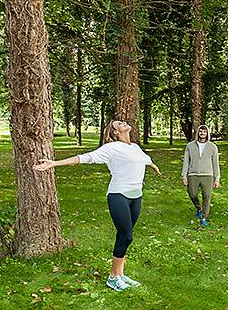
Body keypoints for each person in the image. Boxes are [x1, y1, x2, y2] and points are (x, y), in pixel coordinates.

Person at [33, 120, 161, 292]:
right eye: (119, 123)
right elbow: (86, 158)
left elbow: (146, 159)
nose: (123, 123)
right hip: (119, 195)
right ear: (115, 132)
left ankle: (120, 274)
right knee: (127, 236)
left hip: (136, 196)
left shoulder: (135, 147)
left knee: (123, 236)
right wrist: (54, 163)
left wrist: (154, 166)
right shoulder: (111, 148)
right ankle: (113, 278)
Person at [181, 125, 220, 228]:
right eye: (201, 131)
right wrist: (184, 175)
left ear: (207, 134)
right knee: (192, 193)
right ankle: (199, 208)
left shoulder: (212, 147)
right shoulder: (190, 146)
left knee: (207, 196)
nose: (202, 133)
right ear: (198, 132)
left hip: (208, 175)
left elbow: (215, 163)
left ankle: (203, 217)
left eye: (204, 132)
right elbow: (186, 161)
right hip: (193, 174)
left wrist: (217, 178)